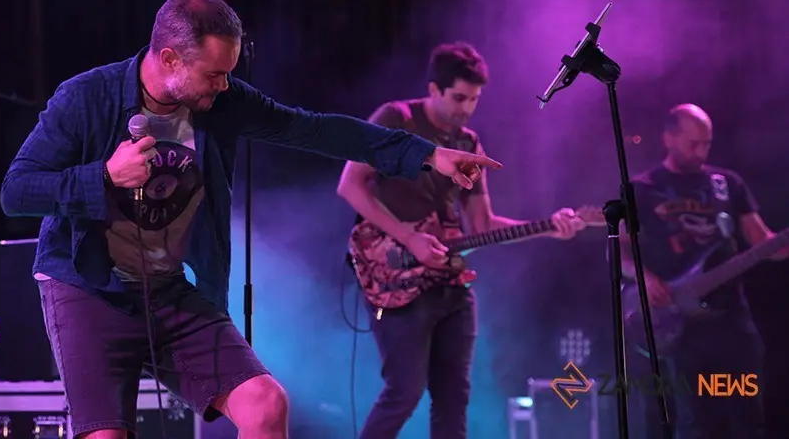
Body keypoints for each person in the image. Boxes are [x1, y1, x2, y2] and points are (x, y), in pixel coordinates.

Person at [0, 0, 502, 439]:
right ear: (170, 58)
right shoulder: (85, 97)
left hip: (170, 290)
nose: (223, 87)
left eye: (229, 74)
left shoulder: (222, 102)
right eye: (213, 75)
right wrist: (104, 178)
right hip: (90, 292)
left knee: (265, 405)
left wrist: (426, 155)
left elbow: (316, 130)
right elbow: (16, 192)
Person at [335, 42, 586, 439]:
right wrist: (409, 238)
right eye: (458, 97)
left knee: (454, 396)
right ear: (434, 89)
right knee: (405, 391)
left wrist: (547, 226)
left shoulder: (468, 143)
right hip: (393, 272)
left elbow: (481, 224)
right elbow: (350, 186)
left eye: (474, 99)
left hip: (449, 279)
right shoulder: (397, 118)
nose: (466, 108)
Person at [620, 103, 788, 439]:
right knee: (697, 421)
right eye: (693, 144)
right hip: (680, 324)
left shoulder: (727, 183)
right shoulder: (642, 188)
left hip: (731, 320)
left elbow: (766, 243)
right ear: (669, 137)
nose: (701, 152)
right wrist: (646, 279)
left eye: (706, 144)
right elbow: (621, 253)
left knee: (747, 416)